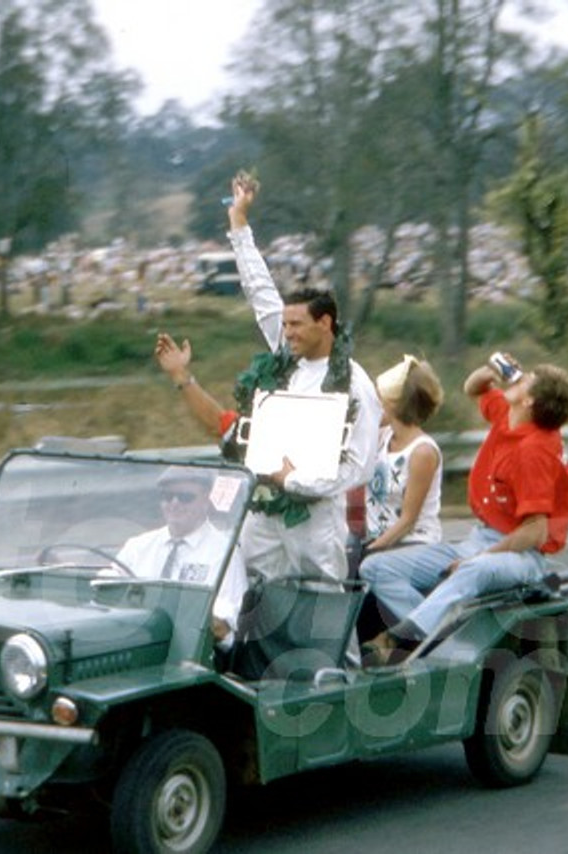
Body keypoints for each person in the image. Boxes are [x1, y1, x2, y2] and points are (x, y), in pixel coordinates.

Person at [154, 172, 381, 585]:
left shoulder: (357, 386)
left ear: (325, 323)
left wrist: (295, 480)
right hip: (262, 509)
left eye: (297, 325)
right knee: (253, 598)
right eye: (286, 324)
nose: (287, 332)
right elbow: (258, 289)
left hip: (314, 519)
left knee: (321, 606)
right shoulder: (285, 351)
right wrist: (238, 221)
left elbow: (359, 468)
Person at [361, 354, 568, 663]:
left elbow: (535, 530)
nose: (520, 376)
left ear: (529, 401)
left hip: (520, 554)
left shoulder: (535, 451)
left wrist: (481, 556)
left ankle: (399, 637)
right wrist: (494, 369)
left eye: (528, 379)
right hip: (480, 538)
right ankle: (439, 639)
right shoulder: (508, 415)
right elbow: (473, 387)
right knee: (376, 568)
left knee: (475, 569)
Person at [115, 467, 248, 653]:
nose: (174, 503)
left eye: (185, 497)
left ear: (206, 500)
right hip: (134, 644)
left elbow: (221, 626)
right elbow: (104, 592)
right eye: (167, 497)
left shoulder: (225, 552)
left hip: (192, 655)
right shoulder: (138, 546)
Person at [362, 354, 445, 554]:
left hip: (413, 543)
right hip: (379, 539)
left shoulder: (422, 452)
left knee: (370, 570)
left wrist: (372, 549)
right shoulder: (382, 438)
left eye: (378, 400)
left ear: (394, 405)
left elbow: (408, 520)